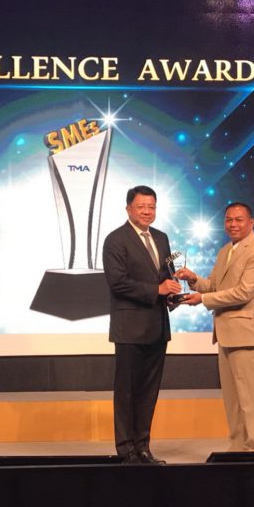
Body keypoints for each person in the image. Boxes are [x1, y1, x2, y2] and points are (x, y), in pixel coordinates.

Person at [176, 202, 254, 451]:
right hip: (226, 334)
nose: (233, 224)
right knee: (232, 402)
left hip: (246, 336)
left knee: (250, 401)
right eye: (229, 220)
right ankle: (237, 450)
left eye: (239, 220)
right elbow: (214, 286)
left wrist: (203, 299)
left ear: (251, 222)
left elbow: (243, 292)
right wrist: (193, 279)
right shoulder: (225, 251)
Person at [102, 185, 182, 464]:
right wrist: (157, 290)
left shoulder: (161, 238)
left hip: (158, 327)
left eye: (152, 206)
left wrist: (173, 294)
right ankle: (126, 450)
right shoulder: (115, 240)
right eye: (141, 207)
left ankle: (143, 447)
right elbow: (118, 283)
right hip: (130, 328)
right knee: (127, 392)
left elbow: (166, 276)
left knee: (149, 393)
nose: (147, 211)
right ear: (129, 209)